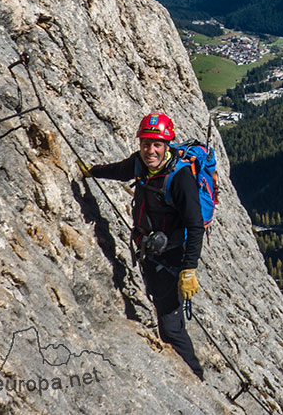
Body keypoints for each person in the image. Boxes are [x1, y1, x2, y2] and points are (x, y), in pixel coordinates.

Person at [80, 112, 204, 379]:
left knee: (170, 325)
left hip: (170, 258)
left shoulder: (181, 179)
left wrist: (189, 269)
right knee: (163, 313)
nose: (150, 150)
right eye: (146, 143)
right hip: (150, 252)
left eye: (157, 144)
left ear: (167, 145)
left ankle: (195, 376)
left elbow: (195, 226)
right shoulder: (140, 165)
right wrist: (91, 172)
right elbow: (119, 170)